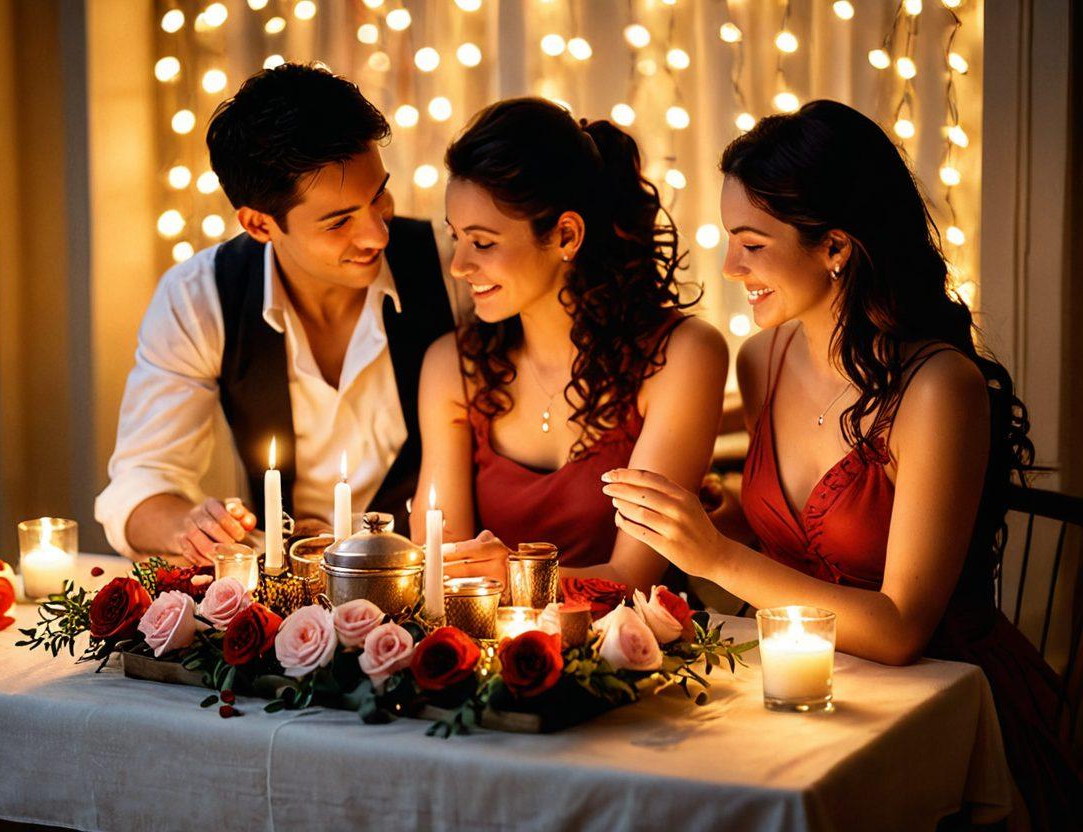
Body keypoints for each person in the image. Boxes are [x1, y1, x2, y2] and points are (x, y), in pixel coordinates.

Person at [602, 99, 1080, 828]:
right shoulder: (764, 357)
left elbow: (897, 629)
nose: (730, 267)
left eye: (752, 244)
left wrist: (721, 557)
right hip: (805, 694)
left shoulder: (938, 388)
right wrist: (730, 524)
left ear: (836, 247)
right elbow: (797, 566)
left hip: (938, 703)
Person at [96, 63, 459, 565]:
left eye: (378, 197)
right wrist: (189, 527)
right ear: (260, 225)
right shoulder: (199, 298)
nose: (377, 234)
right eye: (339, 222)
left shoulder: (451, 268)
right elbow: (139, 483)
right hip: (286, 603)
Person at [411, 98, 726, 595]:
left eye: (483, 242)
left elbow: (633, 579)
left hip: (639, 656)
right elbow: (442, 567)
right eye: (457, 238)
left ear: (565, 235)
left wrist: (513, 577)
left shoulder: (683, 355)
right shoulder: (451, 366)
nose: (459, 265)